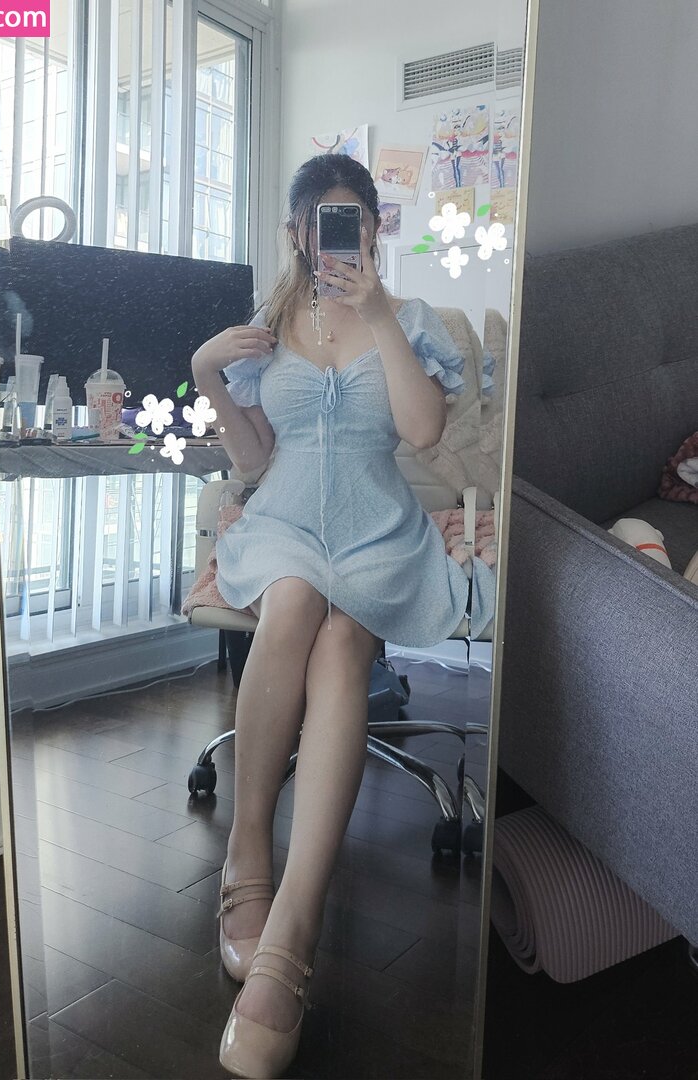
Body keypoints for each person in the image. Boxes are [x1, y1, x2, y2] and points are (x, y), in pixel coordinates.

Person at [191, 153, 470, 1079]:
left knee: (346, 639)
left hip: (375, 528)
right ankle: (248, 854)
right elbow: (255, 458)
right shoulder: (270, 326)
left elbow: (423, 432)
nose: (338, 238)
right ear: (297, 233)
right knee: (298, 601)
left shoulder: (411, 320)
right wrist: (204, 372)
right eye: (322, 222)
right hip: (283, 525)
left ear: (375, 228)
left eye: (355, 220)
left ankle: (291, 932)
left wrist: (379, 312)